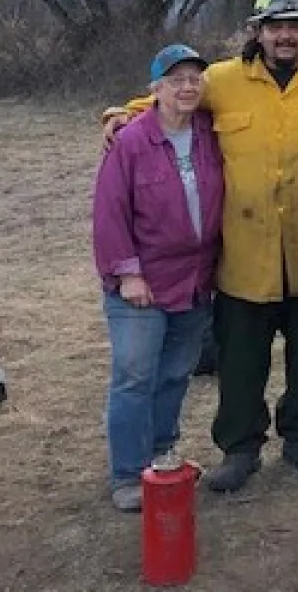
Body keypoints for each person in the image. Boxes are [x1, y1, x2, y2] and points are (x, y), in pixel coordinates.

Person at [103, 0, 298, 493]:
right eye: (275, 26)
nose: (286, 35)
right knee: (240, 359)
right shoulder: (221, 81)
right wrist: (121, 115)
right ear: (257, 31)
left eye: (296, 26)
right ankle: (240, 447)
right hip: (244, 254)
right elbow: (166, 101)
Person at [93, 43, 224, 513]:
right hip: (142, 283)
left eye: (194, 79)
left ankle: (162, 450)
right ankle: (128, 473)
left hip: (195, 280)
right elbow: (109, 213)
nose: (186, 87)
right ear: (155, 89)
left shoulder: (210, 132)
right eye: (175, 80)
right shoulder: (130, 140)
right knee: (134, 375)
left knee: (174, 374)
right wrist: (128, 273)